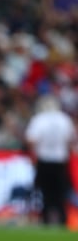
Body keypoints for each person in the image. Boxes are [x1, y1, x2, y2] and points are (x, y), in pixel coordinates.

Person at [24, 95, 77, 226]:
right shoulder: (64, 119)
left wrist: (33, 156)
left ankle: (46, 218)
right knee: (60, 192)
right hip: (60, 160)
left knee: (46, 191)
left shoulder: (39, 119)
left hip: (44, 160)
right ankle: (62, 219)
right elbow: (71, 141)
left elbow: (31, 140)